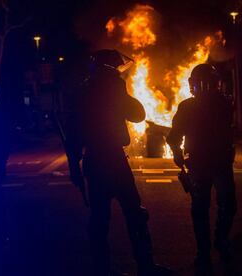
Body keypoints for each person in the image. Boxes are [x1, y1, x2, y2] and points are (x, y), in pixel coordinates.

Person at [65, 49, 172, 276]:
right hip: (113, 159)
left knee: (99, 218)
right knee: (135, 213)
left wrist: (74, 165)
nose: (118, 72)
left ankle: (101, 267)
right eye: (116, 68)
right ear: (110, 68)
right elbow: (137, 114)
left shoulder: (82, 91)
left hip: (93, 160)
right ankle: (145, 265)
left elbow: (73, 134)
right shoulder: (113, 87)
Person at [166, 64, 237, 274]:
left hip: (215, 162)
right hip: (202, 163)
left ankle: (215, 245)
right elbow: (175, 136)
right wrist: (178, 153)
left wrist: (177, 154)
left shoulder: (221, 104)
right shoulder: (193, 106)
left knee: (214, 207)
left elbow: (174, 136)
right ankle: (208, 249)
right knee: (211, 207)